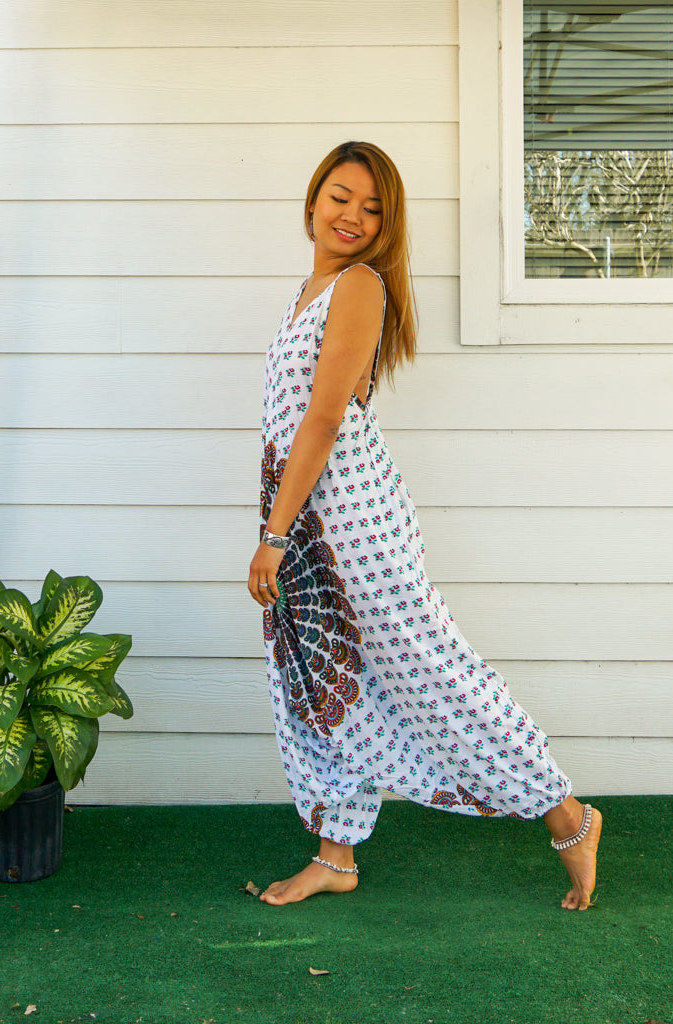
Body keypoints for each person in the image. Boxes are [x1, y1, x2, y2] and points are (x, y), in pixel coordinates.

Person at [248, 141, 601, 910]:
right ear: (312, 200)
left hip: (351, 525)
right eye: (341, 197)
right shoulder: (309, 289)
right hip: (307, 523)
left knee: (430, 670)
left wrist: (273, 536)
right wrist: (283, 528)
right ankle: (336, 855)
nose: (353, 216)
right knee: (321, 682)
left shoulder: (359, 286)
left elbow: (323, 418)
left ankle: (567, 816)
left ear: (386, 228)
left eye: (373, 209)